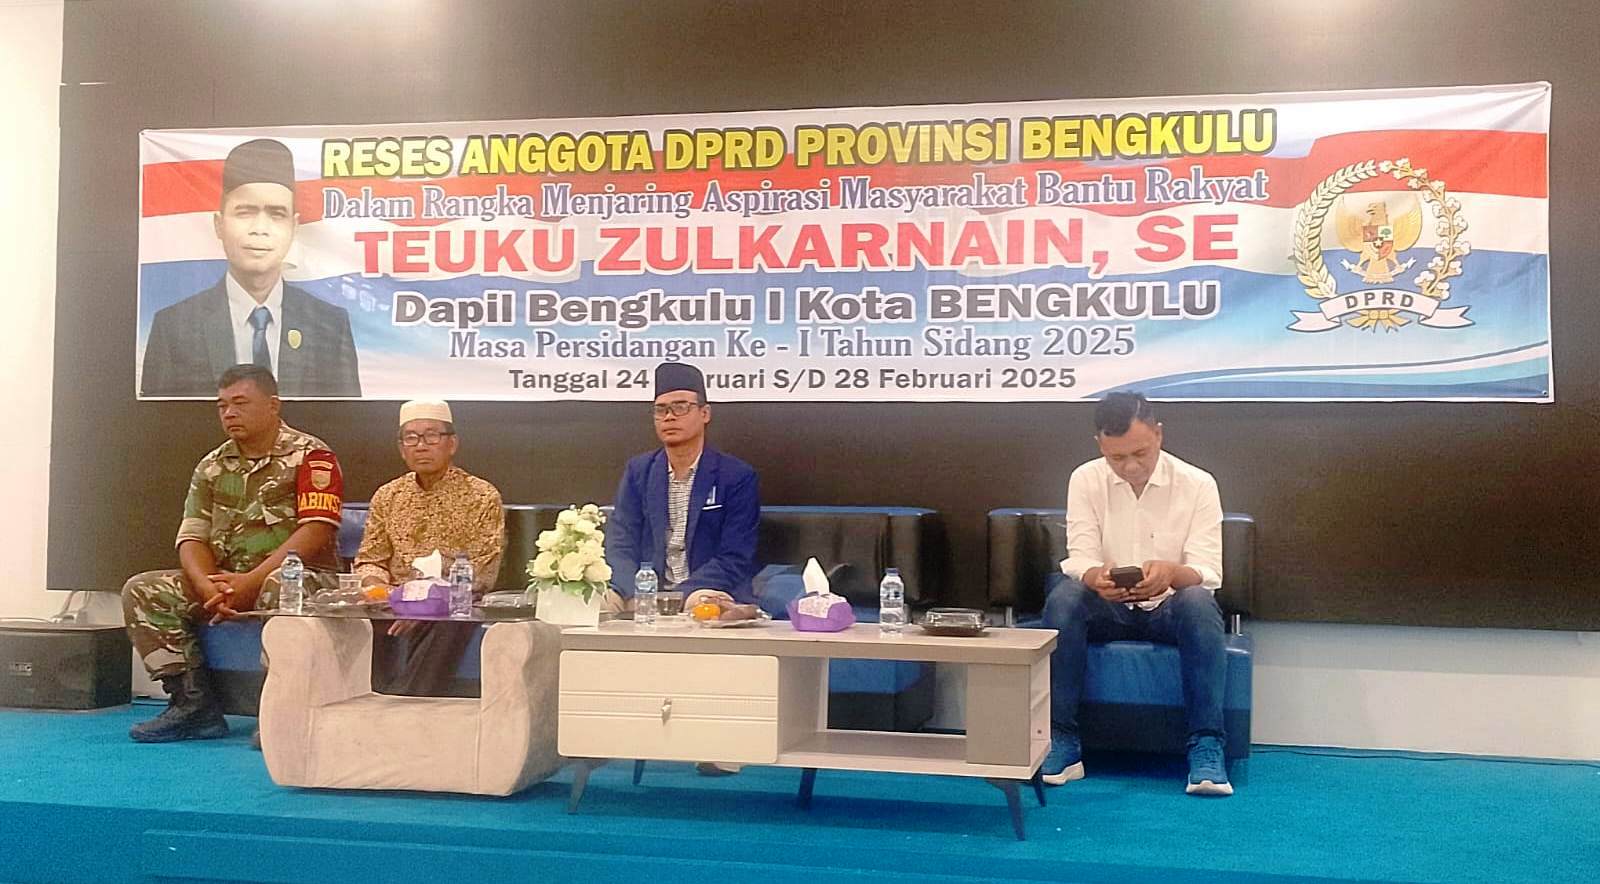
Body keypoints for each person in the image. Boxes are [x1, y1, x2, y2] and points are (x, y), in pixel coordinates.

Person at [122, 364, 343, 742]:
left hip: (300, 579)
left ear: (273, 405)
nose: (229, 413)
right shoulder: (212, 465)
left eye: (240, 403)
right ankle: (193, 705)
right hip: (228, 584)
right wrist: (209, 587)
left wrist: (250, 582)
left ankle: (282, 710)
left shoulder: (312, 456)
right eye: (222, 406)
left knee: (281, 585)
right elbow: (192, 537)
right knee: (144, 589)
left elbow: (316, 532)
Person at [1040, 392, 1231, 796]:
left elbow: (1208, 571)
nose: (1130, 466)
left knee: (1198, 600)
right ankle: (1061, 739)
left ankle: (1207, 744)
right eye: (1117, 457)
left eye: (1140, 453)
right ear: (1100, 445)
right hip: (1109, 607)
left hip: (1169, 608)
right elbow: (1080, 556)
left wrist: (1172, 573)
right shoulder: (1085, 479)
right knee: (1064, 596)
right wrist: (1096, 576)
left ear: (1159, 434)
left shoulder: (1198, 484)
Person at [140, 138, 361, 398]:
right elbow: (158, 418)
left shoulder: (330, 326)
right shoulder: (173, 327)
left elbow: (345, 414)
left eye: (276, 214)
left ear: (294, 227)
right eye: (245, 212)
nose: (260, 228)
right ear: (219, 224)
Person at [353, 399, 505, 697]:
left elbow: (481, 572)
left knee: (450, 619)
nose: (421, 446)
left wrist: (425, 604)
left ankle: (404, 702)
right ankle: (368, 699)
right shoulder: (388, 495)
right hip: (393, 602)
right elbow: (371, 559)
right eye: (411, 438)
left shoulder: (482, 496)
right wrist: (378, 590)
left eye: (431, 436)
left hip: (451, 603)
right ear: (401, 448)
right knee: (356, 615)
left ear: (452, 444)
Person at [604, 362, 760, 611]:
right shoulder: (639, 471)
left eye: (680, 407)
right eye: (661, 409)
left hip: (703, 588)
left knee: (706, 607)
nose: (669, 417)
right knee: (598, 605)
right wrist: (636, 592)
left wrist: (677, 597)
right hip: (643, 589)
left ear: (705, 413)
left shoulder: (736, 476)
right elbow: (620, 543)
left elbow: (734, 556)